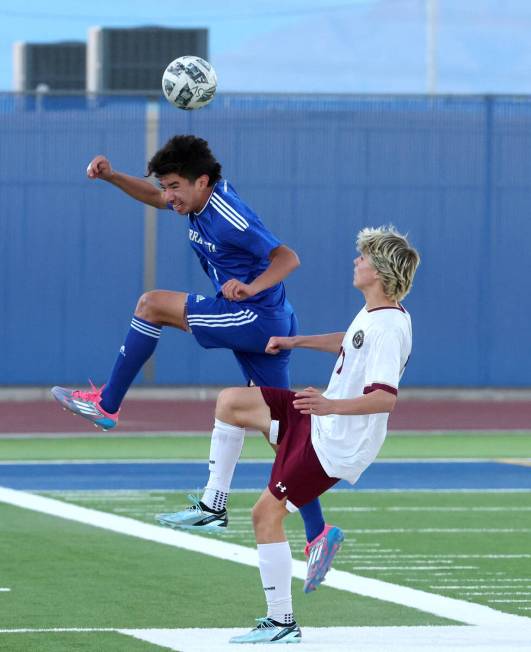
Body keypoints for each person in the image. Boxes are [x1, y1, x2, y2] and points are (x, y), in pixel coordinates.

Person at [51, 134, 327, 552]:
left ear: (202, 181)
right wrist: (111, 177)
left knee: (151, 305)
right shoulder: (195, 200)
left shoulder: (228, 214)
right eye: (166, 186)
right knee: (279, 428)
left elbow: (288, 258)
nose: (168, 195)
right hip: (264, 321)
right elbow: (153, 195)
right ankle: (318, 532)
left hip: (254, 316)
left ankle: (107, 405)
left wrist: (251, 288)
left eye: (174, 186)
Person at [197, 225, 419, 645]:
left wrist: (329, 405)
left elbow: (385, 399)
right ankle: (214, 503)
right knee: (231, 402)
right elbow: (349, 344)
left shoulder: (391, 327)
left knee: (265, 515)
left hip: (337, 443)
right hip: (323, 420)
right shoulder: (373, 313)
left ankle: (282, 622)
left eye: (365, 257)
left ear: (381, 270)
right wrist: (295, 341)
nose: (357, 261)